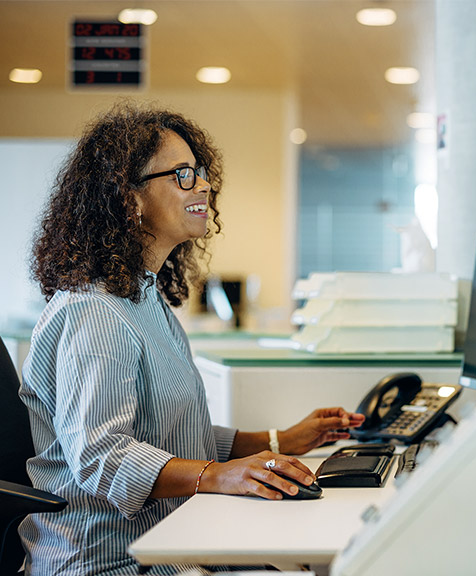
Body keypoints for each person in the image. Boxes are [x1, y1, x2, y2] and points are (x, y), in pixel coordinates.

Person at [18, 102, 365, 575]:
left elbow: (171, 433)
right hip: (110, 560)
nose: (202, 184)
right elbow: (101, 457)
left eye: (200, 172)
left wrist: (281, 440)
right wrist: (219, 475)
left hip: (170, 543)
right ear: (128, 197)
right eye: (182, 174)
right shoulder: (93, 311)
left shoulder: (143, 299)